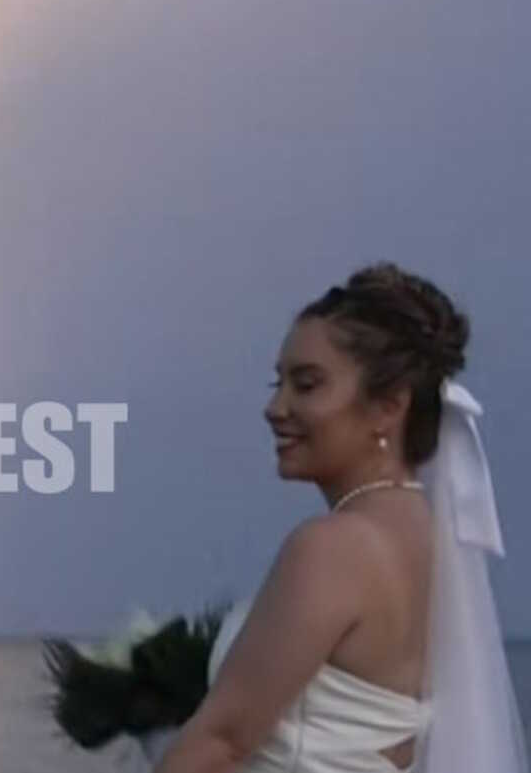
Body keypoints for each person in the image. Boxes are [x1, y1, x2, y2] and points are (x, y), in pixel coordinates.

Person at [153, 262, 528, 773]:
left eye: (306, 385)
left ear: (388, 407)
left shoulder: (334, 547)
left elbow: (222, 741)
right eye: (278, 382)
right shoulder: (430, 536)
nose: (275, 407)